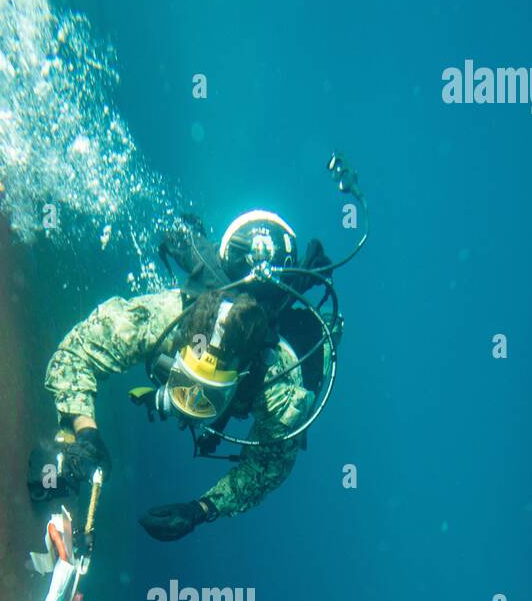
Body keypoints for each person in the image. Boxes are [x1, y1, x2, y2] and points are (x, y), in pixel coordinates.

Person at [39, 210, 337, 541]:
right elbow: (78, 351)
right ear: (178, 352)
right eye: (183, 385)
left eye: (207, 397)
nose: (190, 405)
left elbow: (266, 468)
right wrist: (86, 433)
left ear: (241, 377)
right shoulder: (167, 317)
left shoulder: (277, 384)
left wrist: (201, 510)